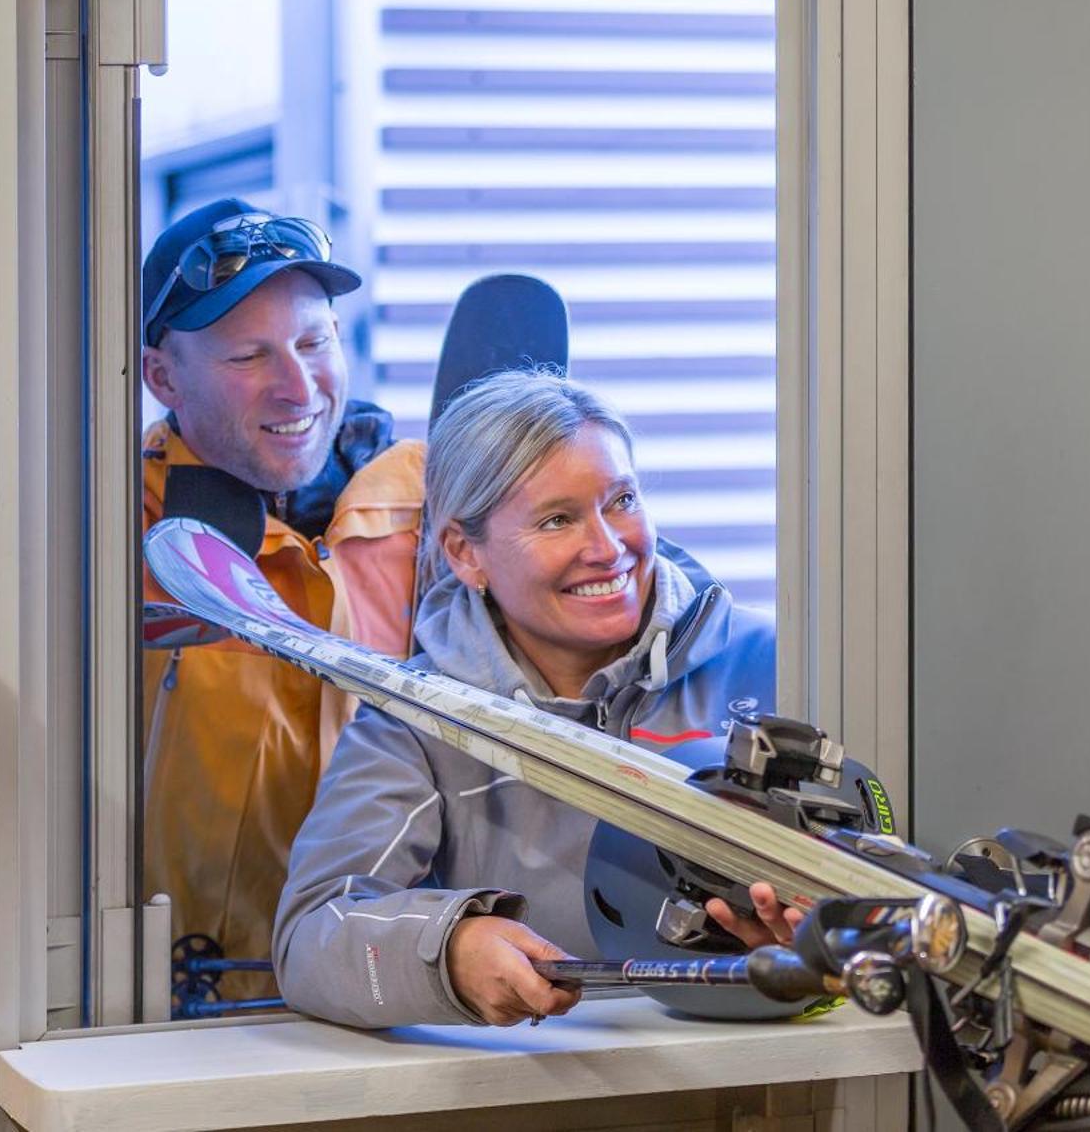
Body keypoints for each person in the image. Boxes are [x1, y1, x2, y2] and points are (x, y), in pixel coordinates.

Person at [273, 370, 790, 1027]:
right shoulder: (416, 721)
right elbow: (312, 936)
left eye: (622, 500)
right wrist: (449, 949)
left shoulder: (772, 662)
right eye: (557, 519)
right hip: (541, 1087)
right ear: (465, 552)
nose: (608, 548)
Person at [140, 197, 425, 998]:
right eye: (248, 358)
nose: (297, 387)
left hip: (405, 998)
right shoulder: (107, 535)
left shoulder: (437, 509)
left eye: (313, 341)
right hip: (183, 1020)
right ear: (163, 376)